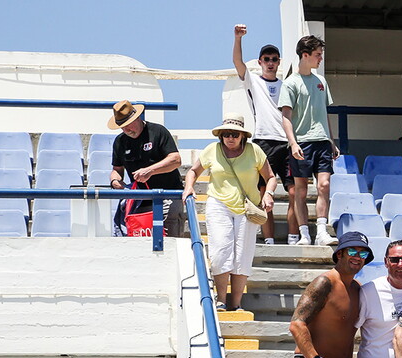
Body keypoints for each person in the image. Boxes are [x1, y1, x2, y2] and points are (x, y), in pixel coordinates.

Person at [182, 114, 276, 311]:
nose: (230, 138)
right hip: (218, 204)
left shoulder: (254, 151)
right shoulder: (212, 150)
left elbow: (270, 177)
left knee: (242, 255)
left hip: (246, 207)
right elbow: (193, 171)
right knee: (220, 252)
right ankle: (221, 299)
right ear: (221, 136)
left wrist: (268, 194)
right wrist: (189, 187)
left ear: (242, 136)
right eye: (226, 134)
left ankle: (236, 303)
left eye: (234, 134)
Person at [289, 231, 371, 358]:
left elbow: (348, 334)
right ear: (340, 254)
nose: (357, 256)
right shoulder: (324, 282)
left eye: (363, 253)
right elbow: (297, 325)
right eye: (353, 250)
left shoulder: (357, 289)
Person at [232, 24, 294, 245]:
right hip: (263, 142)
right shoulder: (253, 81)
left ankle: (294, 237)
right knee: (261, 191)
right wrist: (238, 38)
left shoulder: (287, 85)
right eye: (266, 59)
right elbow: (238, 63)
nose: (270, 62)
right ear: (260, 62)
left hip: (286, 143)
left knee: (294, 192)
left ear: (279, 62)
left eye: (274, 59)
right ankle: (268, 238)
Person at [279, 35, 339, 246]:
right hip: (301, 143)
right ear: (305, 55)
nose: (320, 59)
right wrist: (293, 143)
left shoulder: (321, 81)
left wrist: (331, 140)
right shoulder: (290, 83)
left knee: (324, 185)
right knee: (301, 190)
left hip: (322, 142)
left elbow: (324, 112)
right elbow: (286, 117)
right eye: (317, 55)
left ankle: (322, 232)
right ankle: (305, 234)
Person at [108, 100, 186, 237]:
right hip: (139, 201)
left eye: (128, 125)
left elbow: (175, 160)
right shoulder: (120, 142)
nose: (126, 130)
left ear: (137, 118)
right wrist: (115, 180)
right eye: (122, 127)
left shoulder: (158, 131)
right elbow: (117, 169)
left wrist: (150, 171)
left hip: (167, 197)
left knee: (169, 242)